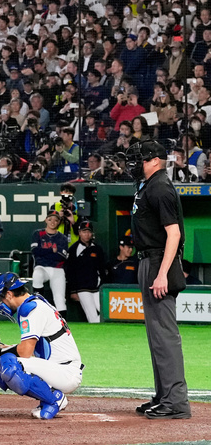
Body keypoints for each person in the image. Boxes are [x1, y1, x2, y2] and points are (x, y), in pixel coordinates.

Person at [125, 140, 190, 419]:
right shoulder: (150, 185)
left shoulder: (161, 186)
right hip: (148, 260)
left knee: (165, 335)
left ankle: (176, 403)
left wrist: (162, 273)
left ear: (154, 160)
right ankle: (164, 396)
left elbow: (173, 234)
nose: (134, 163)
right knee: (156, 336)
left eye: (139, 158)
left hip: (158, 262)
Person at [0, 272, 82, 420]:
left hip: (65, 372)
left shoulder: (31, 309)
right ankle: (50, 395)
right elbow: (29, 349)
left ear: (9, 294)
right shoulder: (34, 303)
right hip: (58, 368)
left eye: (1, 299)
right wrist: (1, 349)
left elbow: (25, 352)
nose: (1, 304)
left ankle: (54, 399)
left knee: (9, 364)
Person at [65, 221, 105, 323]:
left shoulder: (97, 248)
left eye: (88, 232)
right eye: (84, 231)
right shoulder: (74, 249)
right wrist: (73, 291)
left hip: (96, 287)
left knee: (106, 312)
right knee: (92, 316)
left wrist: (103, 285)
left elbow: (102, 269)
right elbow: (70, 272)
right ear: (79, 233)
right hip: (82, 288)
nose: (86, 234)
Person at [30, 212, 69, 312]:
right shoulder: (38, 234)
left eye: (56, 220)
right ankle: (38, 300)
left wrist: (45, 253)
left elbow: (62, 257)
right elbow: (35, 251)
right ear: (46, 220)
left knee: (60, 299)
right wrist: (52, 250)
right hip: (42, 267)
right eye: (50, 219)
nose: (53, 222)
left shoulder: (62, 238)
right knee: (37, 274)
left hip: (57, 269)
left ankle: (63, 325)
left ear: (59, 222)